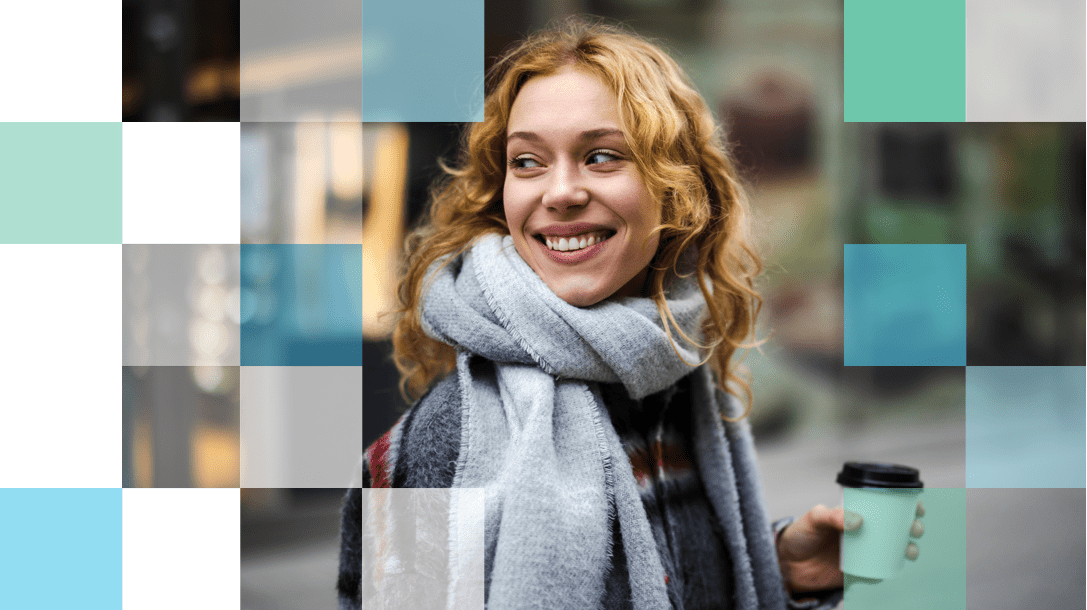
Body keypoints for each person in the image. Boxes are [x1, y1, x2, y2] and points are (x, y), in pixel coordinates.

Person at [359, 19, 922, 610]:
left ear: (675, 187)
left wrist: (777, 566)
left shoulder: (679, 382)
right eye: (527, 162)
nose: (559, 191)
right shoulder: (448, 436)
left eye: (600, 156)